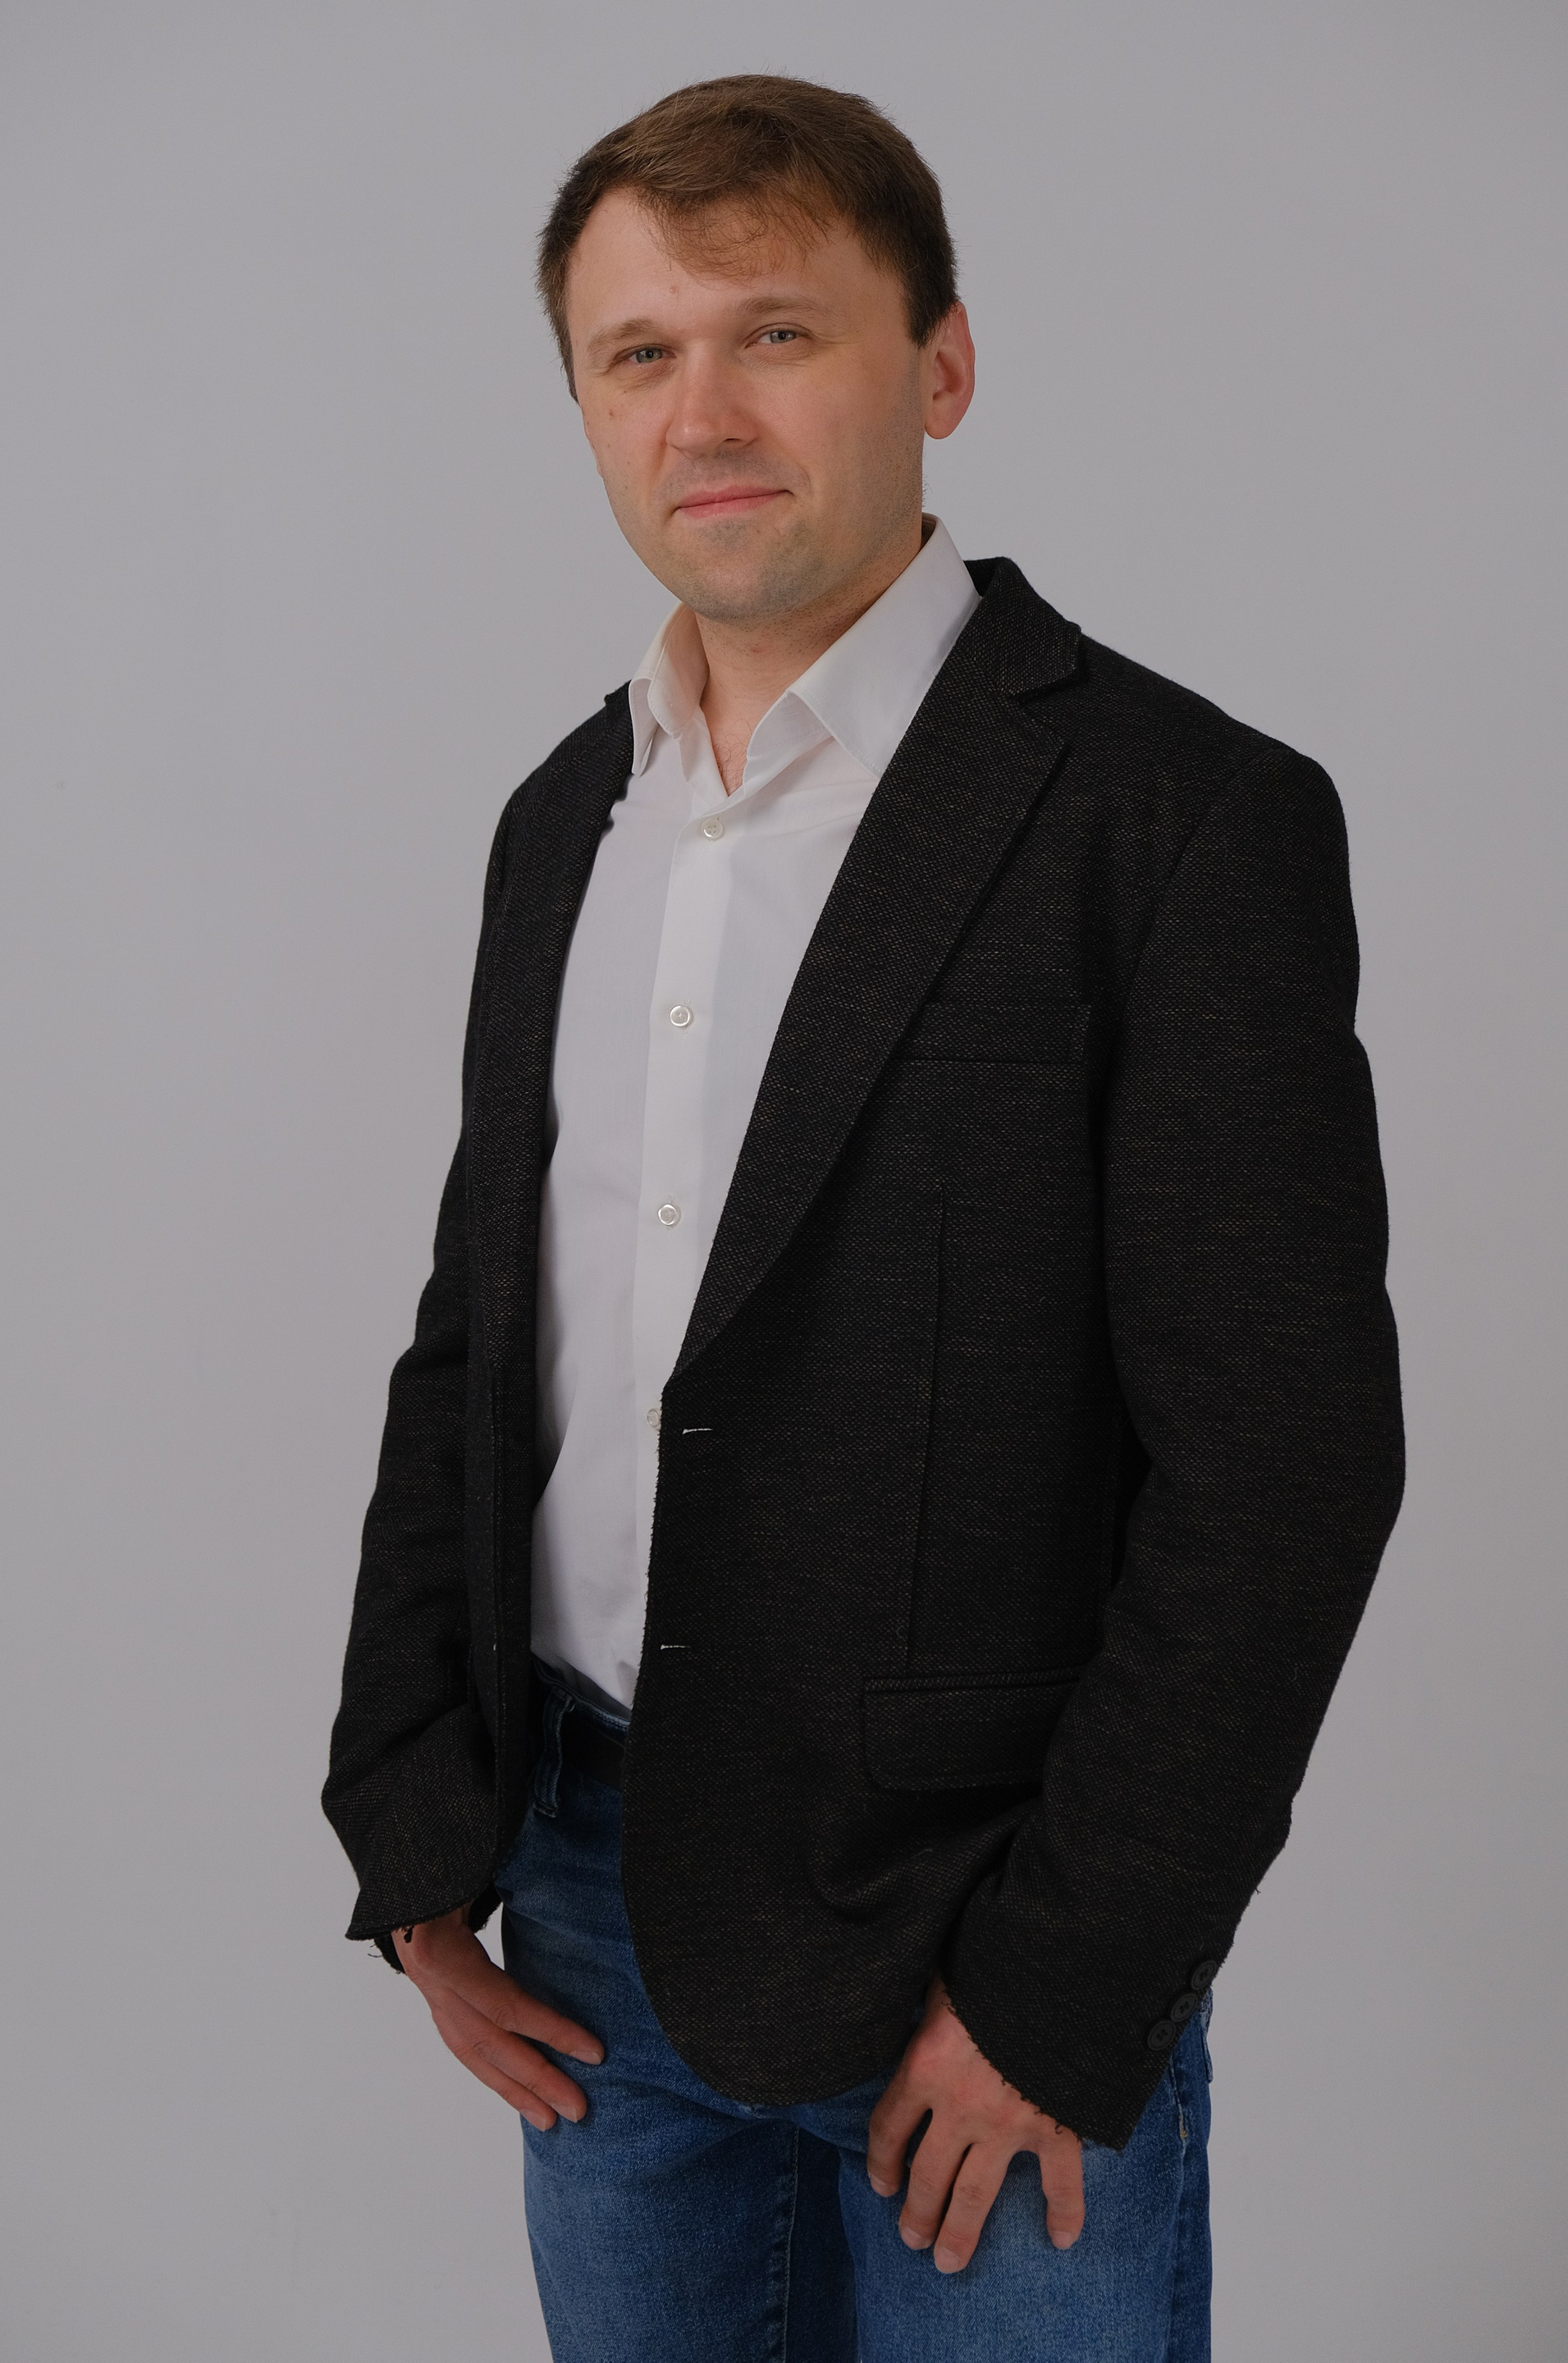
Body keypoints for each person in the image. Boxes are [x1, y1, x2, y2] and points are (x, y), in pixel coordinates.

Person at [323, 73, 1404, 2361]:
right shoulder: (562, 823)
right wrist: (416, 1849)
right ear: (584, 406)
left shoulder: (1177, 820)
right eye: (639, 353)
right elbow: (480, 1349)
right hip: (587, 1922)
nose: (703, 412)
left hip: (982, 1940)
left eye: (779, 334)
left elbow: (1285, 1467)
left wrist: (1063, 1990)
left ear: (942, 365)